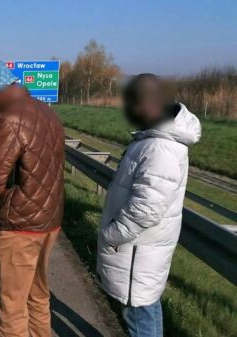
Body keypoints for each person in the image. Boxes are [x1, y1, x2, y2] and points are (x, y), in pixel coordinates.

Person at [97, 74, 201, 337]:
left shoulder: (159, 147)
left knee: (138, 315)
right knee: (145, 308)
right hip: (142, 251)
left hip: (136, 252)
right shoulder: (156, 139)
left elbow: (147, 207)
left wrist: (112, 234)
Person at [0, 59, 65, 337]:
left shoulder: (10, 119)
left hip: (19, 226)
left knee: (11, 308)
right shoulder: (47, 113)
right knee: (37, 297)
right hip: (49, 222)